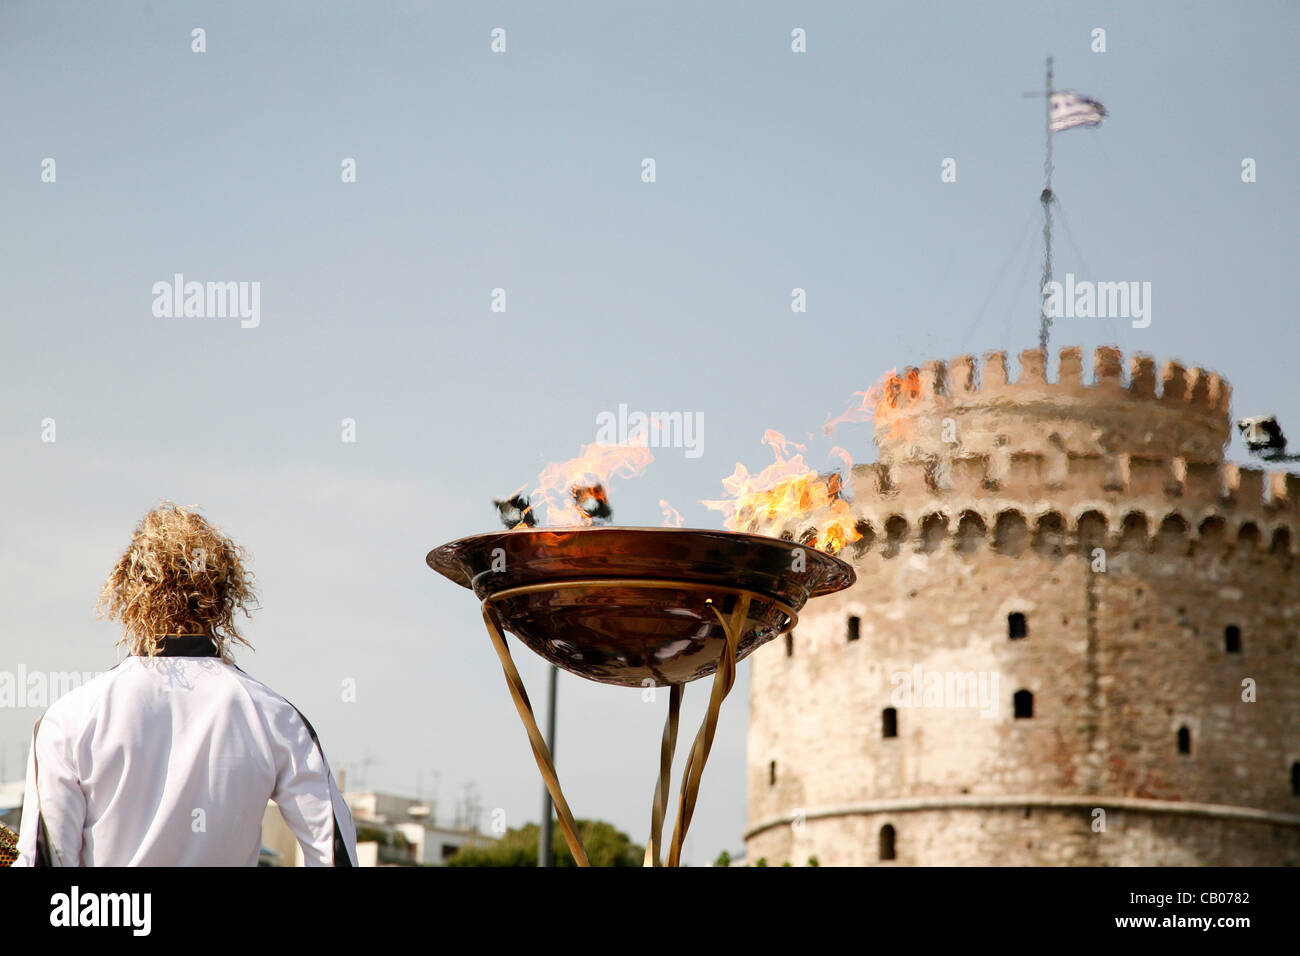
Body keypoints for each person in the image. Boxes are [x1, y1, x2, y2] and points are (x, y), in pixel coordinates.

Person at [14, 503, 357, 866]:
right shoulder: (278, 718)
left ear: (130, 590)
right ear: (224, 595)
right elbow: (335, 854)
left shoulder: (67, 718)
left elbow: (45, 862)